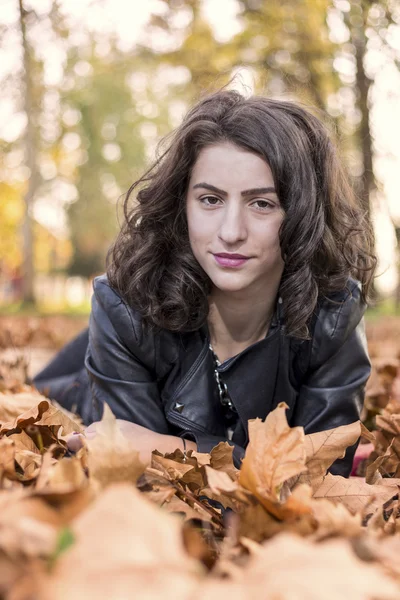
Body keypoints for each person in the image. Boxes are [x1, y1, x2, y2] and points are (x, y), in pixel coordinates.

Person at [33, 90, 376, 475]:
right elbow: (137, 472)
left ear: (303, 215)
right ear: (183, 206)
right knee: (43, 389)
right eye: (210, 200)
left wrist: (169, 446)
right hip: (78, 388)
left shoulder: (333, 314)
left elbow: (322, 476)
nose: (230, 232)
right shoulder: (124, 307)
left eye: (262, 203)